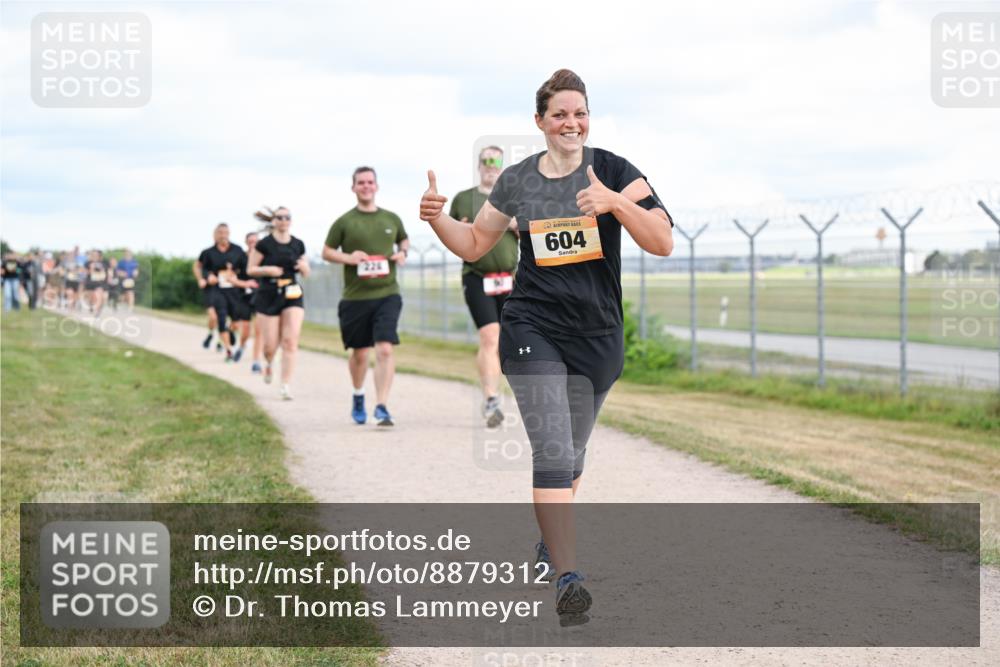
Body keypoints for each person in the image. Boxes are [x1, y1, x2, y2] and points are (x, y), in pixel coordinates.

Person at [419, 69, 673, 626]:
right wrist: (441, 221)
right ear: (540, 122)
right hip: (532, 327)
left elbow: (662, 242)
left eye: (579, 112)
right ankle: (568, 578)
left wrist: (614, 204)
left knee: (573, 457)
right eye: (559, 113)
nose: (571, 122)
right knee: (554, 454)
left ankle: (547, 547)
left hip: (599, 336)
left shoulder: (614, 171)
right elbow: (475, 243)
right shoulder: (516, 181)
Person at [322, 166, 409, 427]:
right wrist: (348, 257)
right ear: (353, 188)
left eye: (370, 182)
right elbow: (326, 251)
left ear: (377, 186)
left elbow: (404, 241)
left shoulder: (391, 219)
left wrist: (402, 253)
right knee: (360, 354)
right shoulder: (344, 222)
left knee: (384, 348)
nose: (366, 186)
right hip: (355, 298)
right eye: (361, 182)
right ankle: (358, 395)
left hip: (387, 293)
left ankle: (381, 406)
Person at [449, 145, 520, 427]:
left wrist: (517, 225)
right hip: (477, 276)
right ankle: (491, 399)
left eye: (496, 161)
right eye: (486, 161)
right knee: (490, 336)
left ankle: (506, 390)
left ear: (502, 166)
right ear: (479, 165)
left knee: (508, 341)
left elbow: (530, 238)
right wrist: (462, 230)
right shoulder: (464, 199)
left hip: (510, 278)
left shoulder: (513, 198)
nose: (491, 166)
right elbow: (452, 237)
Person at [247, 207, 309, 399]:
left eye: (287, 217)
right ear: (273, 221)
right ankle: (269, 362)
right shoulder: (264, 245)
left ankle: (285, 385)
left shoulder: (298, 244)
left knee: (290, 341)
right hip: (269, 293)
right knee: (270, 345)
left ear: (291, 220)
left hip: (292, 291)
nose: (283, 220)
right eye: (280, 217)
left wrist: (305, 267)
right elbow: (251, 269)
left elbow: (306, 273)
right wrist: (267, 270)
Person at [194, 224, 247, 361]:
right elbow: (201, 267)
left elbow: (245, 269)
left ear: (229, 233)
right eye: (220, 232)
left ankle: (228, 332)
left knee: (235, 322)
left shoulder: (237, 250)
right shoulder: (208, 252)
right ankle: (228, 350)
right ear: (215, 235)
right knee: (218, 317)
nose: (222, 235)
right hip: (215, 289)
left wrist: (238, 277)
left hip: (233, 289)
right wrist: (205, 278)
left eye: (225, 232)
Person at [240, 232, 264, 373]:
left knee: (259, 329)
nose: (253, 244)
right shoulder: (241, 257)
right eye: (250, 241)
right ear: (246, 243)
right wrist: (244, 283)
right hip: (243, 296)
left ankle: (256, 361)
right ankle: (242, 345)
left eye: (255, 241)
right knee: (245, 330)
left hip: (260, 295)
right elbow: (231, 277)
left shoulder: (264, 257)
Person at [84, 250, 108, 316]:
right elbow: (85, 272)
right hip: (90, 282)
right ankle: (91, 306)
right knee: (91, 297)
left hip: (100, 283)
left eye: (96, 255)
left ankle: (98, 311)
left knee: (99, 296)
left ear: (99, 256)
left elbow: (105, 273)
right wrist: (91, 269)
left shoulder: (103, 263)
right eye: (93, 254)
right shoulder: (88, 263)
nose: (95, 256)